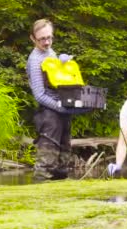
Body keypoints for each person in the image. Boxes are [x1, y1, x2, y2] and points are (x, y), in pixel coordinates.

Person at [26, 18, 85, 181]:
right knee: (46, 166)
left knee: (62, 163)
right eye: (42, 39)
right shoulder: (35, 60)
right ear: (33, 38)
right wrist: (59, 107)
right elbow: (39, 94)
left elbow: (59, 80)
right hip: (48, 115)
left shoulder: (51, 53)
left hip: (62, 110)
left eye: (49, 37)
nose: (46, 42)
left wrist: (63, 63)